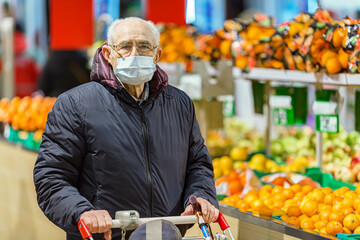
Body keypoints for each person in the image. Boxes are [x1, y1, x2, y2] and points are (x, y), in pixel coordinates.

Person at [33, 17, 219, 240]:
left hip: (166, 234)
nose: (134, 54)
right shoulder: (75, 105)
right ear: (108, 54)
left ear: (157, 55)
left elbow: (198, 163)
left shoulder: (179, 104)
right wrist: (81, 211)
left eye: (143, 46)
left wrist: (200, 195)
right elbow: (51, 176)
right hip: (105, 234)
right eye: (125, 46)